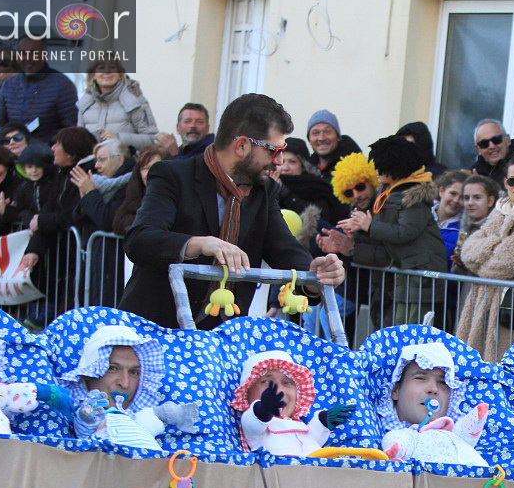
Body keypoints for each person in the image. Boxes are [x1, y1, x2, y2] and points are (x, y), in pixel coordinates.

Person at [118, 93, 345, 328]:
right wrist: (200, 243)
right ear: (242, 145)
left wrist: (314, 273)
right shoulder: (172, 175)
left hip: (221, 337)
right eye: (273, 151)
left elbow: (283, 247)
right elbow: (140, 239)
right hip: (154, 329)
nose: (279, 162)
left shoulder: (264, 190)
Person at [337, 135, 448, 326]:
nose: (377, 171)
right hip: (407, 275)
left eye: (381, 167)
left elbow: (404, 232)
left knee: (409, 330)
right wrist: (361, 228)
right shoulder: (391, 193)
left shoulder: (412, 198)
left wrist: (369, 226)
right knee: (398, 328)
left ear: (394, 169)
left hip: (420, 276)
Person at [455, 151, 514, 361]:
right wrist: (496, 243)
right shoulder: (501, 208)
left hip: (507, 301)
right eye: (512, 180)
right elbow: (467, 250)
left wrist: (486, 250)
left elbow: (508, 262)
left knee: (500, 359)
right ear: (505, 182)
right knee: (474, 358)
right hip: (482, 298)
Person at [64, 325, 199, 450]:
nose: (125, 383)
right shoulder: (85, 415)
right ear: (89, 373)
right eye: (112, 368)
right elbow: (85, 420)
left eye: (134, 372)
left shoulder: (139, 420)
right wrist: (90, 410)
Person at [230, 350, 355, 456]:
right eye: (266, 382)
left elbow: (312, 439)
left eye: (287, 382)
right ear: (247, 392)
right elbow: (253, 421)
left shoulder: (300, 425)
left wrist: (323, 421)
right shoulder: (257, 427)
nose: (279, 390)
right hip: (279, 479)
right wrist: (263, 408)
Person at [18, 126, 98, 278]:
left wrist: (42, 221)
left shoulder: (85, 174)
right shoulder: (62, 174)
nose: (53, 148)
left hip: (83, 253)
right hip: (65, 257)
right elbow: (49, 209)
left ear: (71, 153)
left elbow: (75, 213)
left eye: (58, 144)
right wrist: (34, 250)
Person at [0, 37, 79, 143]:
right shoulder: (9, 85)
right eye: (22, 53)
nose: (28, 58)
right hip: (11, 152)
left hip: (46, 155)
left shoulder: (62, 85)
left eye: (33, 53)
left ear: (45, 55)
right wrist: (10, 140)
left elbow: (71, 129)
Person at [76, 60, 160, 150]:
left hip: (128, 162)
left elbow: (152, 139)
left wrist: (118, 139)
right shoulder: (85, 104)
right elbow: (78, 142)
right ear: (93, 75)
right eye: (101, 68)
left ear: (120, 74)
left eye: (112, 68)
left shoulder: (134, 100)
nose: (107, 72)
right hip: (93, 163)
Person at [112, 145, 169, 236]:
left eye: (156, 167)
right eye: (145, 168)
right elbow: (118, 224)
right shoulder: (136, 192)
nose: (150, 172)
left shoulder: (175, 195)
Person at [307, 109, 362, 182]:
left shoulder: (356, 170)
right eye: (315, 133)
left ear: (338, 137)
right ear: (309, 139)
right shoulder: (305, 171)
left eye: (327, 132)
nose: (321, 138)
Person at [469, 119, 514, 185]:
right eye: (484, 143)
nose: (491, 146)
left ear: (508, 140)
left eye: (496, 139)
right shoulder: (475, 173)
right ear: (478, 149)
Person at [432, 170, 467, 263]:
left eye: (462, 197)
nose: (456, 200)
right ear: (441, 191)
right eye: (453, 193)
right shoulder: (421, 215)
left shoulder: (465, 229)